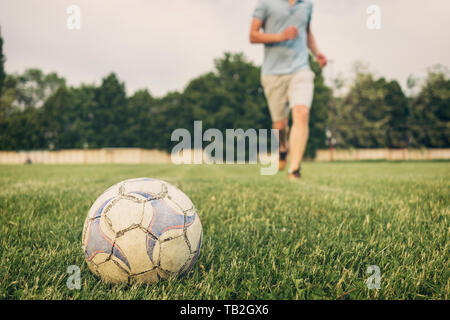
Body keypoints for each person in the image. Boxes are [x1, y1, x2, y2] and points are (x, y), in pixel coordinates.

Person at [250, 0, 327, 180]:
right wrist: (281, 36)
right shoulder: (265, 4)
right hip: (273, 73)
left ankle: (294, 170)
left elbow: (306, 33)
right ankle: (282, 149)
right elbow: (253, 36)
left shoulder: (307, 5)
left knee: (301, 112)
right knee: (280, 125)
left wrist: (317, 53)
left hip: (300, 69)